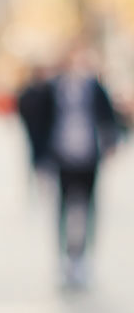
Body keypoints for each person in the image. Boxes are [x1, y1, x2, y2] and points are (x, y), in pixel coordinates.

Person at [42, 46, 122, 288]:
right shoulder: (54, 87)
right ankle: (65, 258)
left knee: (89, 208)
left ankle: (83, 258)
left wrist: (110, 142)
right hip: (63, 157)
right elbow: (42, 118)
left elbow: (109, 117)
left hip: (89, 157)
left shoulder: (95, 87)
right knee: (64, 208)